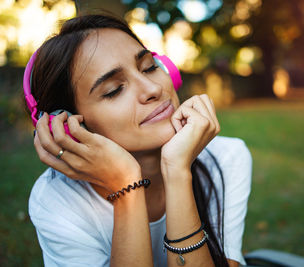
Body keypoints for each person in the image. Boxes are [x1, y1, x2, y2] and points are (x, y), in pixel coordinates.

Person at [26, 14, 252, 267]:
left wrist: (177, 171)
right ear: (68, 127)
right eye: (114, 90)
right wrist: (126, 185)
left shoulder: (226, 157)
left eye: (149, 67)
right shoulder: (58, 201)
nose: (153, 89)